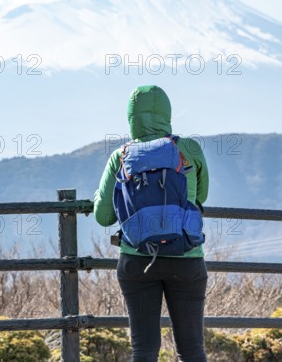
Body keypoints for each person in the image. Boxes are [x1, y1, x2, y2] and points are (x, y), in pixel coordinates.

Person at [93, 85, 209, 362]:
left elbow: (104, 216)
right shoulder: (188, 148)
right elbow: (201, 196)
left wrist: (97, 196)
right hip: (186, 256)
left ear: (132, 117)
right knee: (192, 349)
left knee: (143, 349)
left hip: (137, 259)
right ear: (167, 113)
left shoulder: (121, 156)